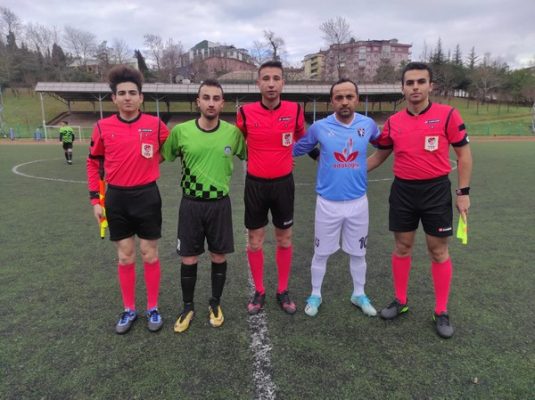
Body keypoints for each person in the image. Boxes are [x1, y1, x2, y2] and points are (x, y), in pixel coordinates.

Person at [367, 62, 472, 338]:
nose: (415, 87)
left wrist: (463, 193)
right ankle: (400, 301)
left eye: (421, 82)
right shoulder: (393, 122)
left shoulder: (447, 115)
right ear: (402, 88)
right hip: (403, 191)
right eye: (410, 82)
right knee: (402, 247)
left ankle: (441, 310)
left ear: (430, 86)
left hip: (436, 191)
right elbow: (379, 155)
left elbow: (464, 155)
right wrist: (348, 170)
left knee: (438, 250)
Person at [86, 65, 169, 334]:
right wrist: (95, 201)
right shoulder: (102, 127)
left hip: (147, 196)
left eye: (132, 93)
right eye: (121, 93)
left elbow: (168, 150)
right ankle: (129, 309)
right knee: (125, 256)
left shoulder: (155, 125)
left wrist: (151, 162)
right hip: (117, 198)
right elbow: (93, 163)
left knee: (149, 254)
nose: (127, 98)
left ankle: (153, 307)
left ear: (141, 97)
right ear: (114, 98)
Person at [161, 79, 246, 333]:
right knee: (188, 257)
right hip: (191, 204)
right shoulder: (181, 131)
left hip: (220, 204)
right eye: (206, 98)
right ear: (197, 102)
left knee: (218, 256)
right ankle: (187, 307)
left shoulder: (233, 134)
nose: (211, 103)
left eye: (216, 98)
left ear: (222, 103)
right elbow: (161, 156)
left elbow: (253, 155)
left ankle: (215, 303)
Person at [293, 79, 380, 318]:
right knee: (321, 253)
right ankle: (315, 295)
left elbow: (385, 145)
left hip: (358, 203)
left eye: (349, 97)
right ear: (332, 101)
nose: (344, 102)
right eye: (339, 97)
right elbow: (297, 148)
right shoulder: (319, 127)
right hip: (327, 204)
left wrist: (365, 166)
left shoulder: (368, 125)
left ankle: (359, 294)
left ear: (357, 99)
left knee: (359, 253)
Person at [236, 60, 305, 315]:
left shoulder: (295, 110)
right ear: (258, 83)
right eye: (266, 78)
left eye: (276, 78)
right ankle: (260, 290)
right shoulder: (245, 112)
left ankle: (282, 290)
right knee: (255, 241)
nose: (271, 83)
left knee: (284, 238)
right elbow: (238, 142)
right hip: (255, 185)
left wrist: (290, 155)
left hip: (283, 185)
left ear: (283, 83)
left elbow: (302, 138)